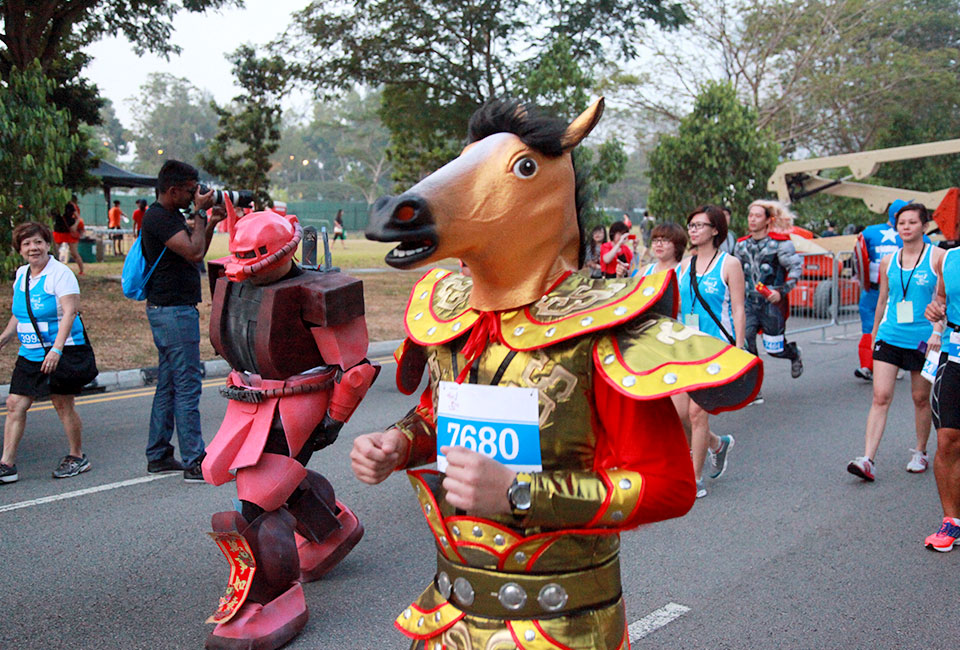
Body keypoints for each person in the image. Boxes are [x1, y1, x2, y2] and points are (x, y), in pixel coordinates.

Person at [350, 98, 760, 649]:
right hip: (449, 614)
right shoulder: (454, 317)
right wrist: (398, 442)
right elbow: (438, 411)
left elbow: (668, 487)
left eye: (516, 168)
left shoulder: (600, 331)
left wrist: (519, 491)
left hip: (562, 624)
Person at [201, 207, 378, 649]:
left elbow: (353, 369)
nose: (249, 273)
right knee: (244, 473)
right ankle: (331, 527)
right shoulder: (235, 281)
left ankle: (270, 596)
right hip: (248, 398)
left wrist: (334, 418)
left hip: (298, 401)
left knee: (256, 505)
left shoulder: (317, 291)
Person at [847, 204, 944, 482]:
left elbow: (945, 299)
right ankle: (867, 459)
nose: (906, 227)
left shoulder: (937, 257)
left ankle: (921, 451)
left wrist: (938, 330)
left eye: (912, 222)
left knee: (920, 397)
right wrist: (874, 333)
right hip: (890, 335)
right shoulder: (890, 260)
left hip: (924, 340)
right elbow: (882, 300)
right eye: (902, 223)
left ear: (924, 226)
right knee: (880, 396)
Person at [140, 160, 222, 481]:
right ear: (172, 190)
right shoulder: (159, 217)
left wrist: (210, 221)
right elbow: (193, 253)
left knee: (170, 384)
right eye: (190, 190)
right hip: (173, 312)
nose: (194, 195)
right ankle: (194, 460)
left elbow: (196, 248)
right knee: (188, 384)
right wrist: (201, 214)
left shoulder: (169, 216)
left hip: (172, 310)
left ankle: (159, 454)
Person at [0, 222, 91, 484]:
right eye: (27, 243)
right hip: (30, 352)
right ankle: (7, 464)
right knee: (15, 404)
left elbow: (70, 312)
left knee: (62, 404)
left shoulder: (60, 274)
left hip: (63, 350)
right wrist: (5, 338)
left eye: (38, 242)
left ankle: (77, 456)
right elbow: (21, 313)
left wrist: (56, 349)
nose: (33, 248)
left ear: (47, 244)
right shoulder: (22, 275)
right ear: (19, 249)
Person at [675, 205, 747, 498]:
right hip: (684, 348)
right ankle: (718, 444)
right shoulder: (683, 265)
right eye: (691, 225)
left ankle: (695, 479)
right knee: (678, 414)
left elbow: (740, 308)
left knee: (696, 413)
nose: (693, 230)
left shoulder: (730, 264)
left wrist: (740, 348)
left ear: (715, 230)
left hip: (715, 349)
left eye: (699, 225)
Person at [734, 199, 804, 403]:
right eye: (750, 215)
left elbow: (795, 269)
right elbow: (734, 271)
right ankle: (754, 389)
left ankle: (793, 353)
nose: (752, 219)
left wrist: (781, 292)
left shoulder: (781, 243)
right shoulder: (741, 245)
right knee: (746, 344)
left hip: (772, 303)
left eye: (757, 216)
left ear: (768, 220)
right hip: (748, 303)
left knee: (774, 348)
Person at [853, 200, 930, 381]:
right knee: (877, 327)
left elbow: (858, 259)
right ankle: (872, 365)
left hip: (881, 290)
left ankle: (871, 365)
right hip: (889, 292)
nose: (907, 227)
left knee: (873, 326)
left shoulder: (868, 232)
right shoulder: (919, 236)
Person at [923, 238, 960, 552]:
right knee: (947, 437)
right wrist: (934, 310)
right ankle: (952, 521)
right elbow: (939, 303)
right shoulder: (949, 259)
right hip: (956, 352)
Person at [53, 195, 84, 276]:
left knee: (74, 253)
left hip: (69, 231)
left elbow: (77, 217)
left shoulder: (70, 206)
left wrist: (75, 226)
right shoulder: (55, 206)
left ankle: (81, 270)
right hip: (58, 231)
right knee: (55, 252)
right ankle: (55, 270)